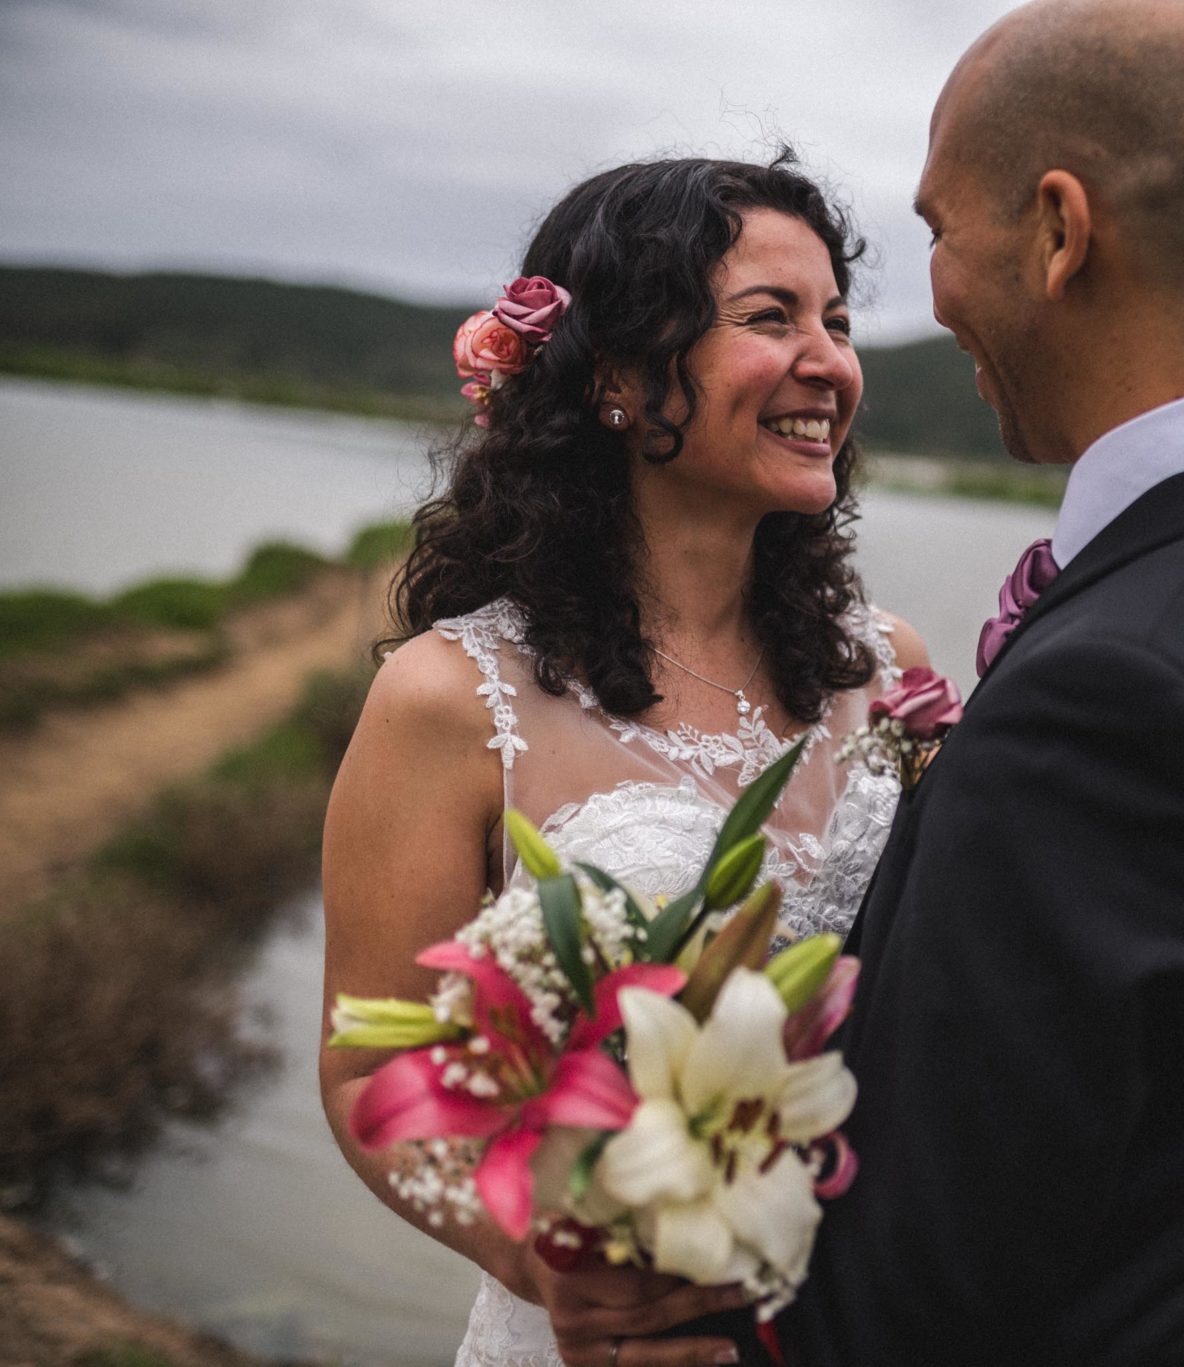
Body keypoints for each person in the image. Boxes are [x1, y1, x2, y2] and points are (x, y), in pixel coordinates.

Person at [778, 1, 1184, 1363]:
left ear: (1061, 231)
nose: (936, 286)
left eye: (942, 228)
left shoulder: (1118, 684)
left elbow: (923, 1287)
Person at [318, 154, 926, 1367]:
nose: (830, 362)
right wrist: (542, 1252)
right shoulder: (451, 695)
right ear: (615, 375)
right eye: (771, 317)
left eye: (839, 322)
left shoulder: (888, 671)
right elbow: (373, 1069)